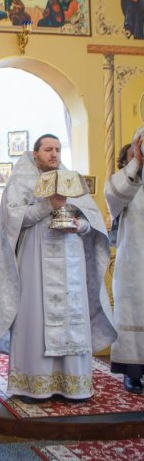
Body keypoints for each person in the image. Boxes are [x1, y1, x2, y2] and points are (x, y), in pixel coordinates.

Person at [0, 134, 116, 402]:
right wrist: (48, 205)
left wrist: (80, 226)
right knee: (35, 316)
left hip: (71, 260)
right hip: (35, 259)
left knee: (72, 314)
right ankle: (34, 384)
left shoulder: (70, 179)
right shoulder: (20, 180)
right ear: (36, 154)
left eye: (57, 149)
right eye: (48, 149)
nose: (54, 154)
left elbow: (90, 219)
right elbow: (14, 219)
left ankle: (74, 385)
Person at [105, 131, 144, 393]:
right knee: (133, 313)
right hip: (134, 263)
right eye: (133, 154)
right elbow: (113, 196)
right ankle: (133, 373)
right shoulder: (126, 183)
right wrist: (137, 162)